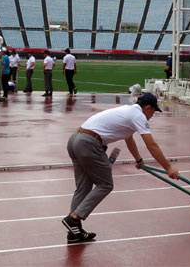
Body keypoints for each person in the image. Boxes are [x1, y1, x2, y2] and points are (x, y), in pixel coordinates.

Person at [62, 92, 178, 243]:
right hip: (90, 143)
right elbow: (151, 144)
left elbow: (128, 138)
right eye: (154, 111)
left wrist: (138, 159)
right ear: (148, 108)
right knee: (105, 185)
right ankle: (74, 219)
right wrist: (168, 167)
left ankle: (74, 231)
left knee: (83, 187)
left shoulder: (127, 111)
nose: (152, 115)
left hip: (75, 139)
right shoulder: (138, 116)